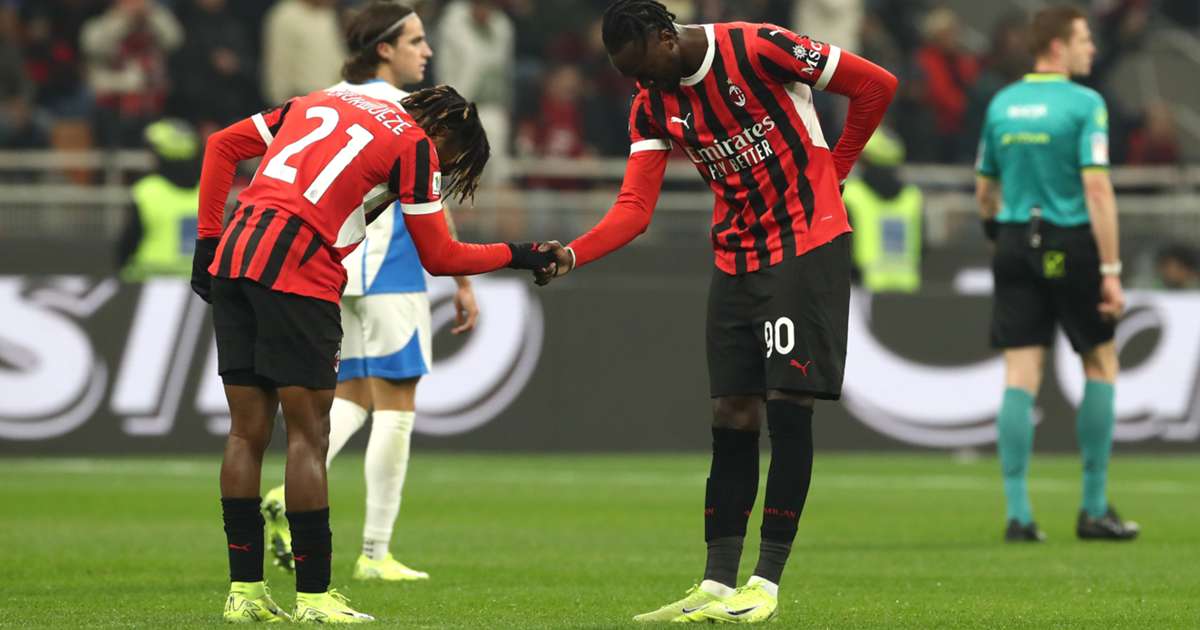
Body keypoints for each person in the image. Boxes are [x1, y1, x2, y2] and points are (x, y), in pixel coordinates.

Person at [536, 0, 897, 623]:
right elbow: (634, 208)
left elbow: (875, 85)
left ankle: (767, 582)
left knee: (789, 404)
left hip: (806, 243)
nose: (641, 85)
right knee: (731, 413)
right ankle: (718, 582)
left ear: (665, 38)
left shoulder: (758, 47)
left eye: (643, 67)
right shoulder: (652, 103)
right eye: (629, 76)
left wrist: (834, 171)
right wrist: (572, 253)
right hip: (736, 257)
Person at [191, 81, 556, 622]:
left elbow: (222, 143)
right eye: (451, 160)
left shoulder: (318, 101)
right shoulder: (414, 145)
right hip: (298, 268)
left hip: (238, 251)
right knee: (309, 439)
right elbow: (440, 254)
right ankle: (315, 599)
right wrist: (522, 254)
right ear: (440, 133)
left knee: (246, 433)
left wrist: (206, 241)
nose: (441, 169)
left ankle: (244, 595)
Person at [259, 1, 472, 584]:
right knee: (398, 403)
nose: (426, 51)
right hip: (389, 262)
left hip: (332, 263)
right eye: (415, 41)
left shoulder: (328, 96)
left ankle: (284, 492)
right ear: (384, 48)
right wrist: (461, 277)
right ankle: (376, 553)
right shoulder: (408, 113)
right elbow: (424, 196)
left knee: (353, 392)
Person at [976, 6, 1138, 544]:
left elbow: (984, 189)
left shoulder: (1002, 103)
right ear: (1056, 47)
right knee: (1100, 360)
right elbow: (1096, 188)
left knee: (1021, 374)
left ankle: (1018, 515)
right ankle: (1093, 509)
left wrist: (999, 234)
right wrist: (1111, 270)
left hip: (1015, 240)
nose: (1091, 49)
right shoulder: (1085, 104)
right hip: (1070, 242)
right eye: (1084, 39)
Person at [115, 118, 201, 280]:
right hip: (193, 286)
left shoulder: (146, 190)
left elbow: (128, 242)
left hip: (146, 281)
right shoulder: (206, 191)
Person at [841, 129, 923, 293]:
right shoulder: (913, 197)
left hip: (862, 293)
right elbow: (924, 247)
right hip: (908, 291)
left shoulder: (851, 195)